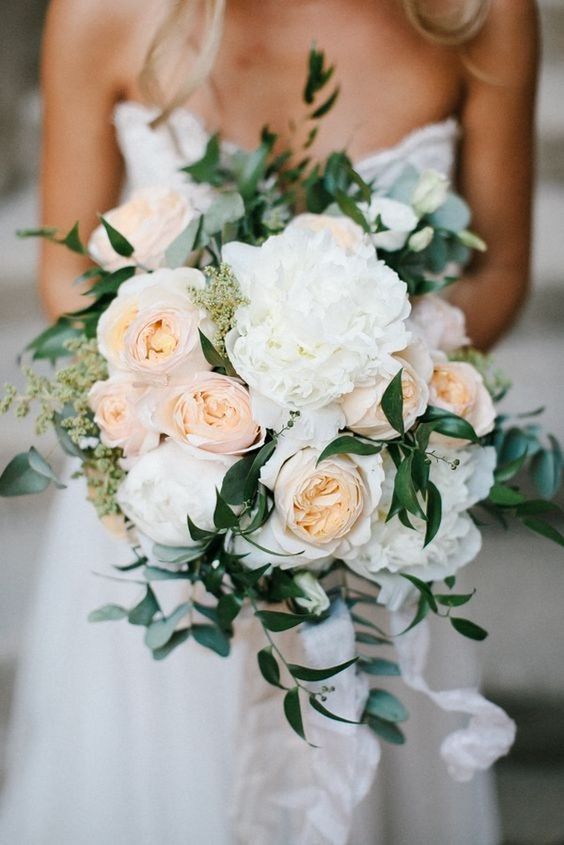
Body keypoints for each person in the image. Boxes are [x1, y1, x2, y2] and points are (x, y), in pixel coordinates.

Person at [0, 1, 538, 843]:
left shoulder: (479, 13)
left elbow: (499, 266)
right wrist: (199, 377)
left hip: (368, 500)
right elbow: (68, 268)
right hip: (159, 498)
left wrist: (357, 392)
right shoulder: (100, 12)